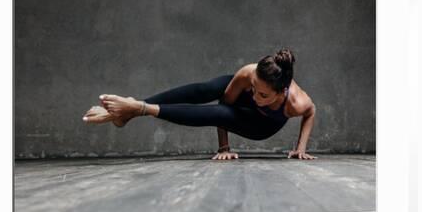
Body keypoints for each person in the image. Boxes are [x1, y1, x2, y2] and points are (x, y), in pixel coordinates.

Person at [83, 48, 317, 160]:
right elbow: (224, 102)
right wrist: (224, 147)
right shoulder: (249, 73)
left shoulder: (296, 102)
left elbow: (311, 112)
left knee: (222, 114)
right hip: (233, 105)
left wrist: (301, 148)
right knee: (209, 88)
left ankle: (139, 108)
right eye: (253, 88)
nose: (255, 96)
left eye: (263, 95)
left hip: (261, 125)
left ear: (281, 93)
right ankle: (132, 109)